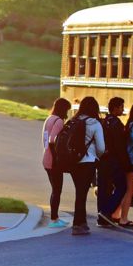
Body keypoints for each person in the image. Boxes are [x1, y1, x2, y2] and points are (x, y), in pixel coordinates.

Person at [70, 96, 106, 236]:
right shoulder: (95, 123)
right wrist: (96, 155)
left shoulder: (73, 120)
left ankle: (82, 222)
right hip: (88, 162)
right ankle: (77, 224)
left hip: (73, 162)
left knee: (79, 192)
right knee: (81, 194)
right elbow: (101, 148)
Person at [112, 103, 133, 228]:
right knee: (130, 190)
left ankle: (117, 214)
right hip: (131, 161)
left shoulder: (129, 125)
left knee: (129, 189)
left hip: (128, 160)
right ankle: (123, 218)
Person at [96, 97, 129, 228]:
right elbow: (119, 146)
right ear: (115, 108)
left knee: (104, 188)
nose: (123, 109)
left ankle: (101, 216)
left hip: (102, 159)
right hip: (113, 160)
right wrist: (125, 163)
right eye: (121, 107)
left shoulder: (103, 122)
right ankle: (107, 211)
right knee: (122, 186)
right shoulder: (116, 124)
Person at [42, 98, 72, 228]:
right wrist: (57, 158)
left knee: (55, 190)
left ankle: (55, 217)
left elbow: (45, 140)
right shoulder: (59, 121)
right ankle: (54, 219)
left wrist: (48, 153)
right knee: (57, 190)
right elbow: (52, 140)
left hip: (46, 158)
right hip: (54, 161)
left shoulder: (49, 118)